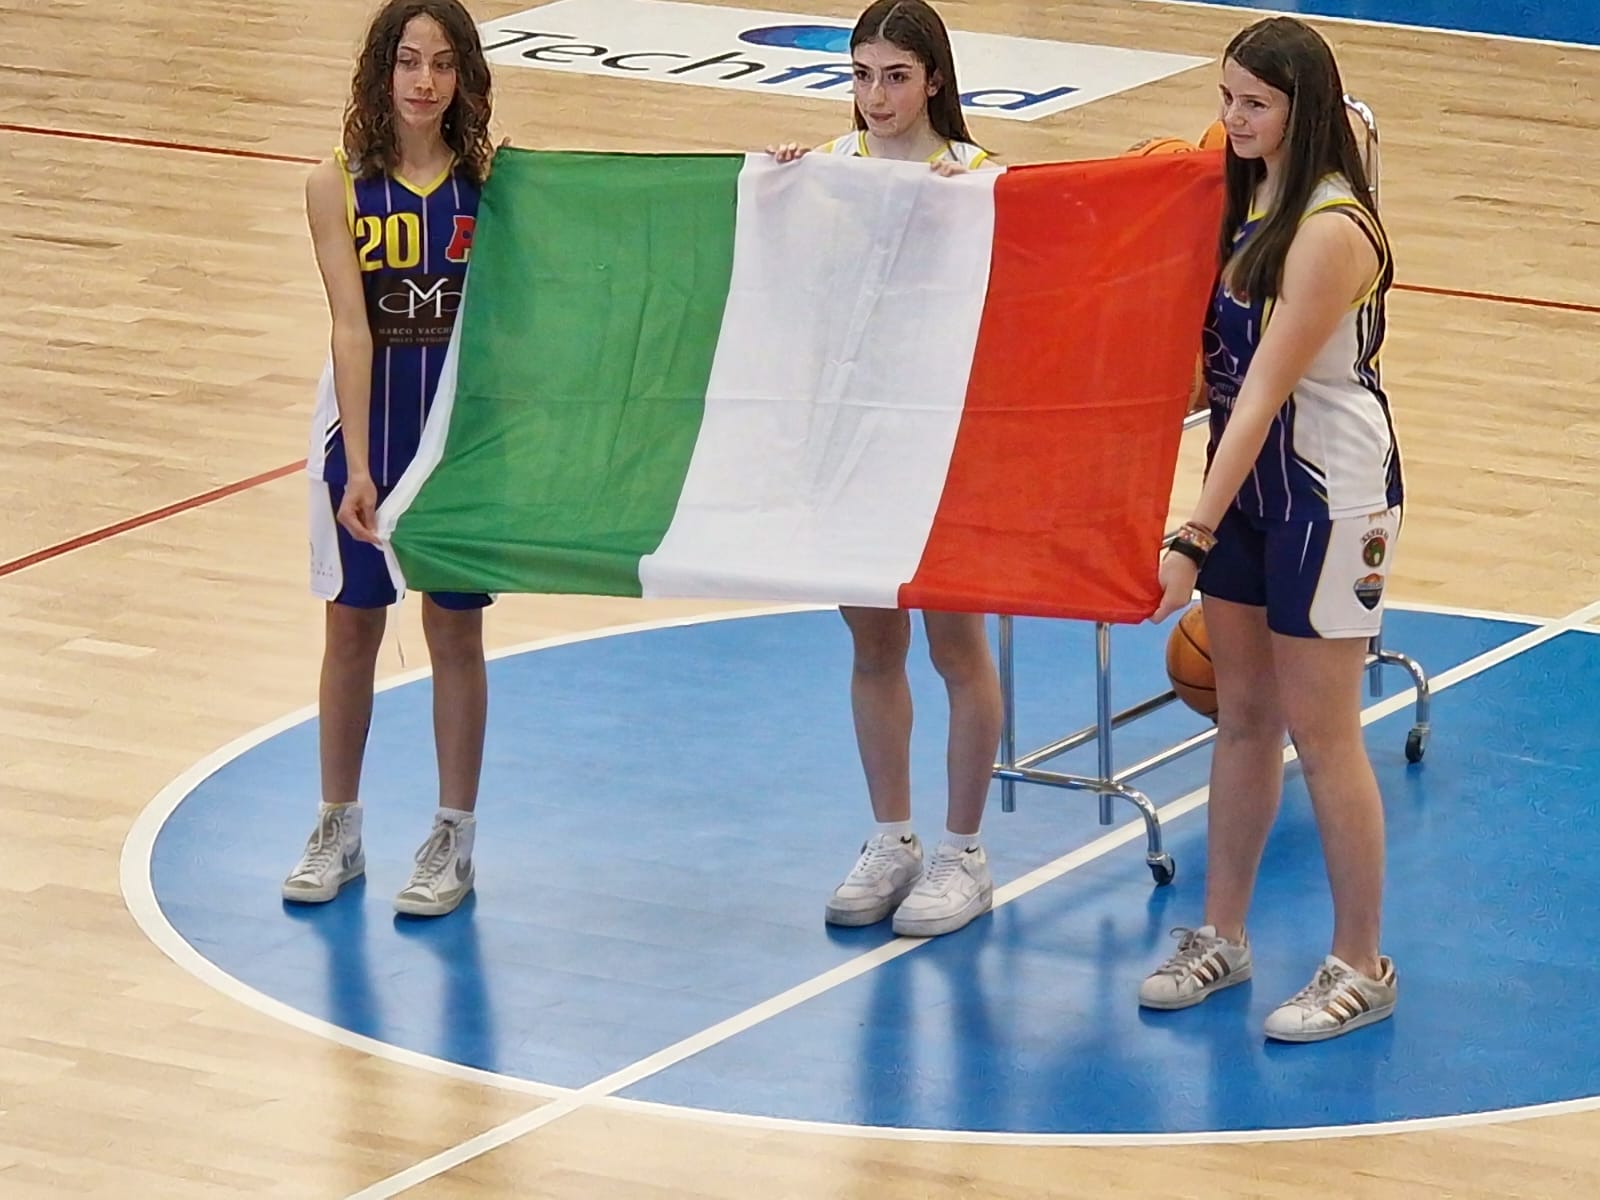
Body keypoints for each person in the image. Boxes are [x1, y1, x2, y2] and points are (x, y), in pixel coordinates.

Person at [1141, 16, 1403, 1041]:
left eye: (1254, 103)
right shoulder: (1237, 199)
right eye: (1226, 98)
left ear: (1304, 111)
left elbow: (1255, 397)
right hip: (1247, 488)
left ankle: (1360, 960)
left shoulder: (1332, 227)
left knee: (1322, 732)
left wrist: (1189, 532)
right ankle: (1222, 933)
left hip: (1329, 498)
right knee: (1242, 717)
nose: (1232, 119)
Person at [770, 0, 1003, 939]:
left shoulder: (980, 179)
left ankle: (965, 852)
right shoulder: (831, 171)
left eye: (896, 76)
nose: (875, 96)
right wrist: (779, 204)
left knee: (956, 648)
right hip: (852, 442)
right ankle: (892, 837)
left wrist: (976, 217)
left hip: (945, 447)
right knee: (873, 645)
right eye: (862, 75)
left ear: (935, 80)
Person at [284, 0, 497, 918]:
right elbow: (349, 325)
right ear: (381, 72)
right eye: (408, 61)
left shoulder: (493, 186)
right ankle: (339, 822)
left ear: (462, 79)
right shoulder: (332, 183)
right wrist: (363, 464)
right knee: (352, 631)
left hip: (457, 445)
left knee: (454, 633)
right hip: (363, 436)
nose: (422, 81)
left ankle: (454, 832)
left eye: (442, 65)